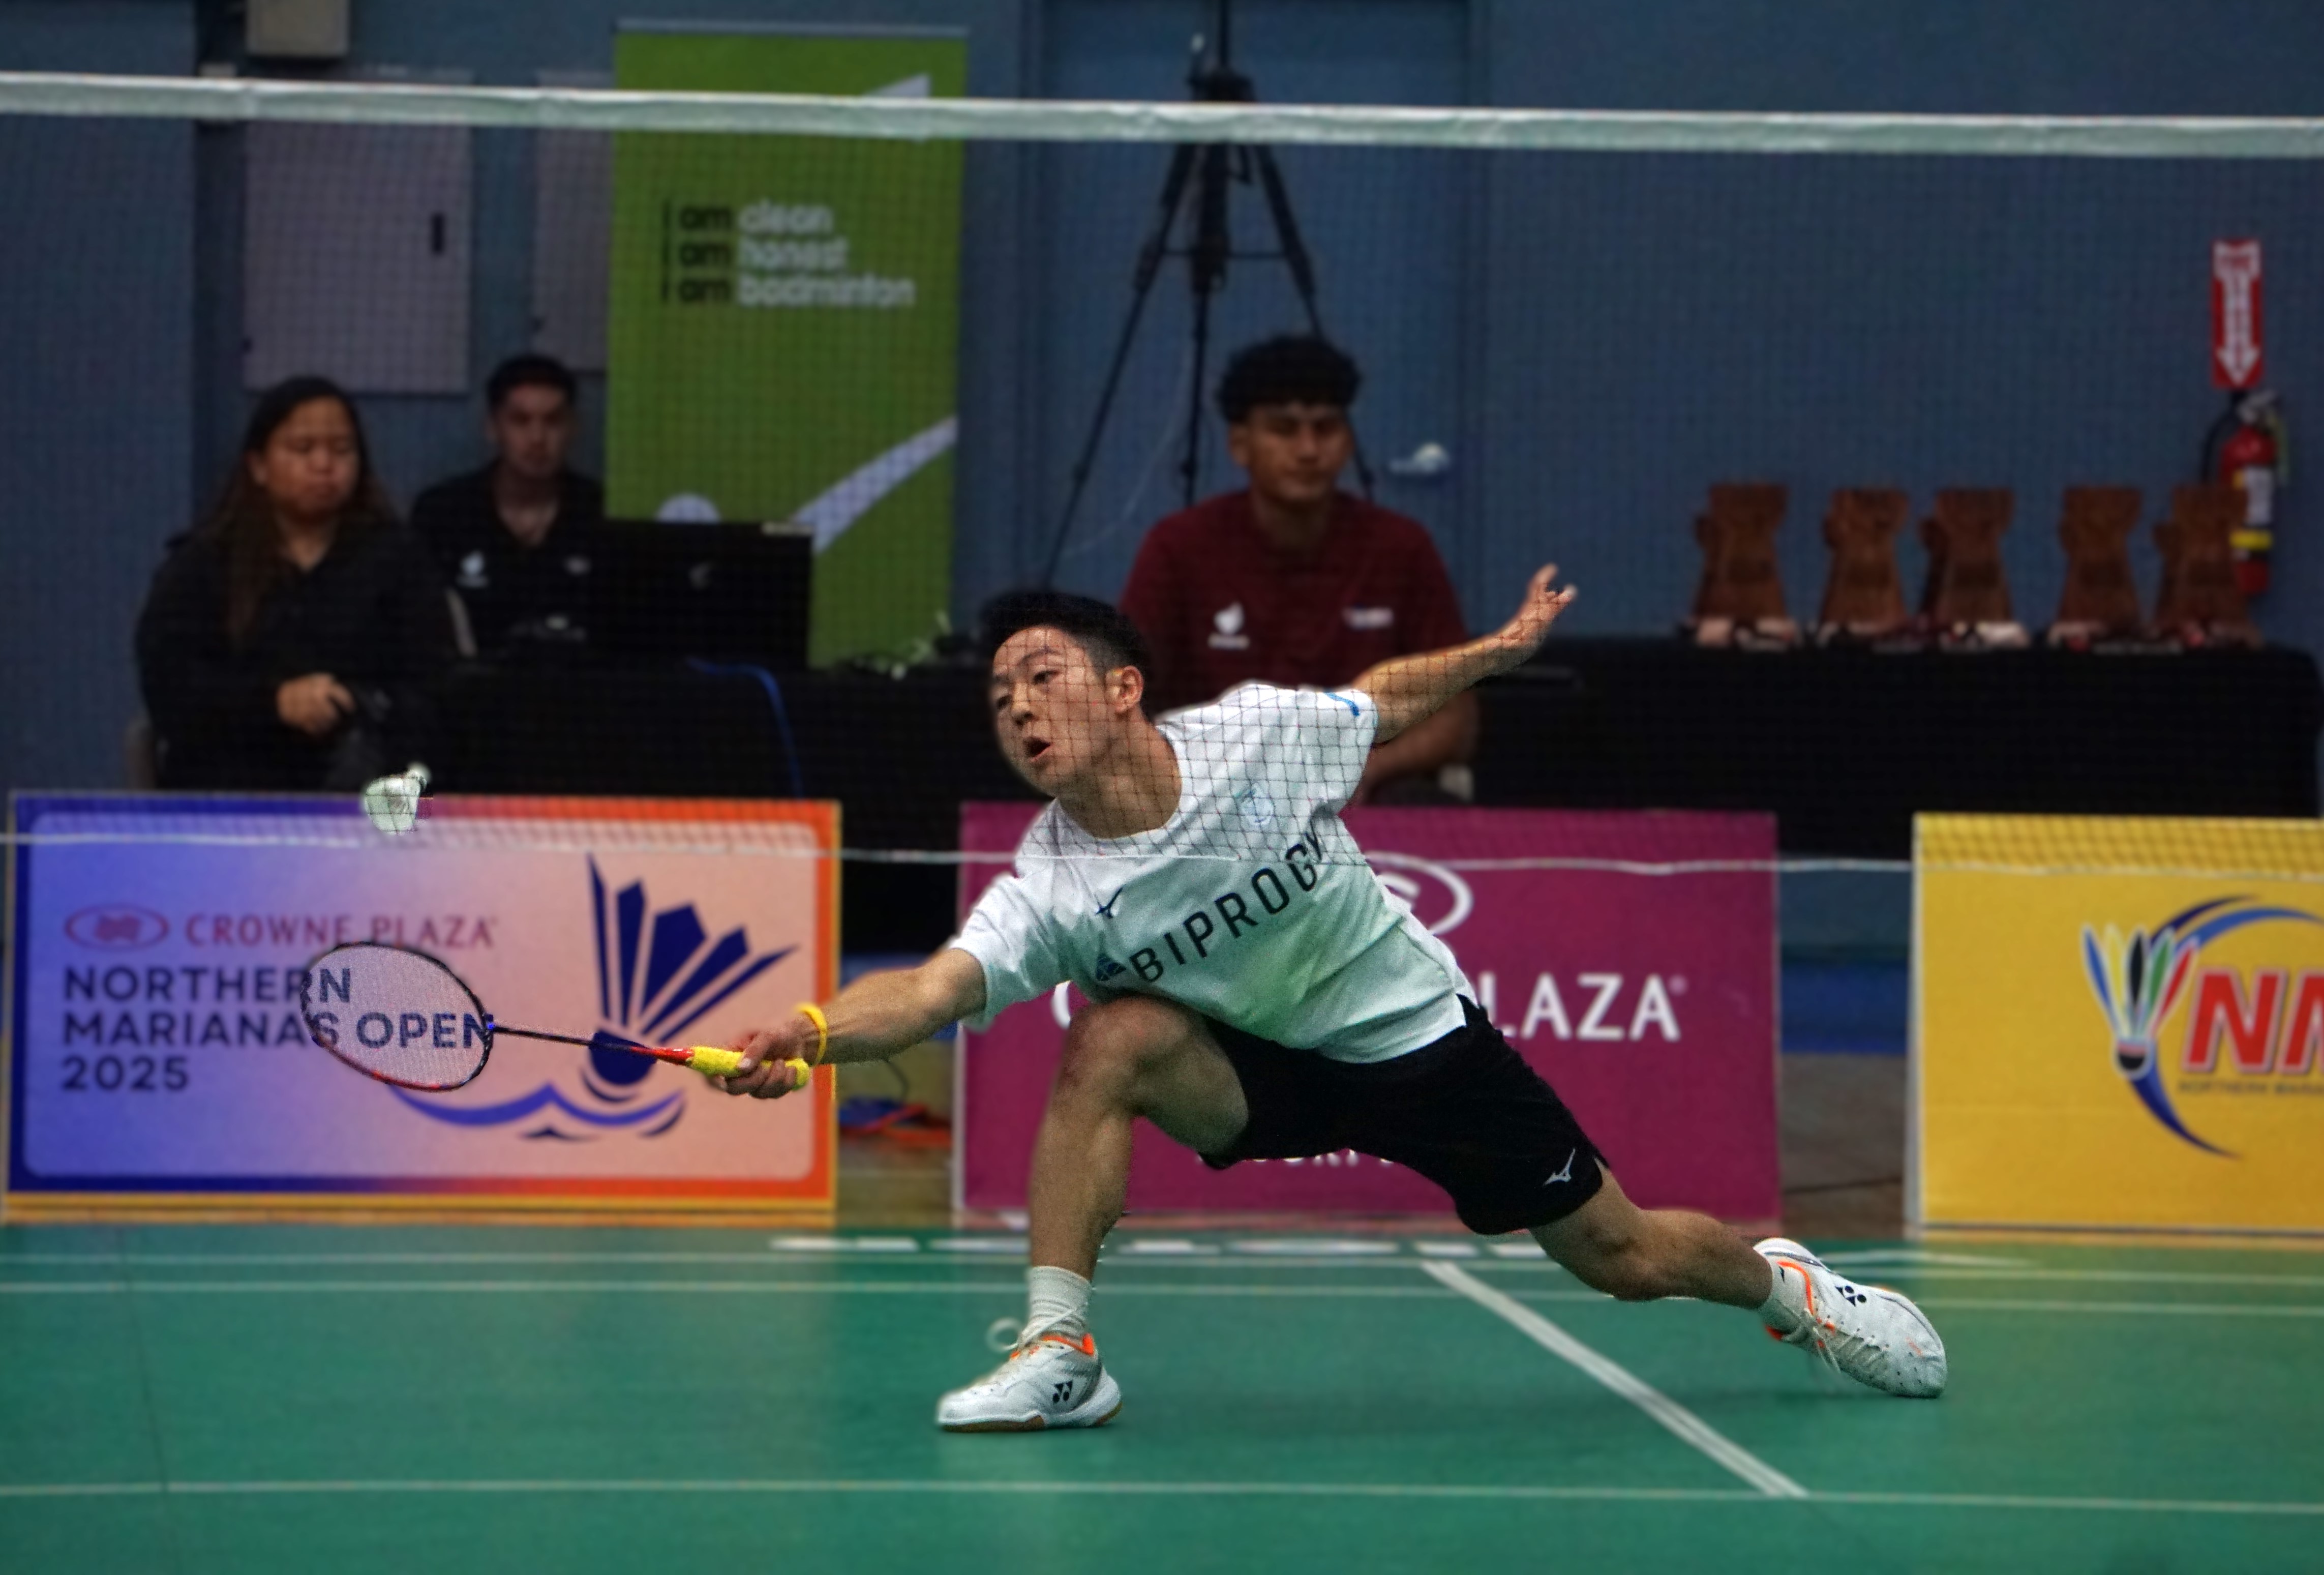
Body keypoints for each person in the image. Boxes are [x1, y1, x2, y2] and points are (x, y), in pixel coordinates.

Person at [716, 575, 1948, 1431]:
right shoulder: (1049, 880)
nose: (1021, 710)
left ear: (1127, 686)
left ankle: (1795, 1294)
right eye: (999, 701)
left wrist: (1500, 652)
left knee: (1623, 1258)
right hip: (1258, 1069)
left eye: (1042, 678)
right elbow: (936, 986)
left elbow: (1385, 698)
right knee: (1113, 1041)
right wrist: (814, 1035)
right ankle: (1059, 1352)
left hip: (1416, 1037)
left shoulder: (1257, 738)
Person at [1119, 334, 1475, 803]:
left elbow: (1456, 717)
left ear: (1347, 442)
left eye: (1325, 428)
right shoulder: (1179, 547)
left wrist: (1364, 770)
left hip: (1364, 796)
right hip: (1210, 798)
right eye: (1284, 430)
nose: (1308, 450)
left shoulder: (1401, 547)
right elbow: (1120, 700)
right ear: (1240, 445)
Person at [136, 376, 455, 791]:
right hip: (232, 785)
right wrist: (274, 703)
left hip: (370, 789)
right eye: (303, 449)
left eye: (341, 450)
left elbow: (437, 685)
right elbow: (171, 685)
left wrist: (361, 705)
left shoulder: (400, 558)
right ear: (259, 466)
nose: (324, 465)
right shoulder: (203, 563)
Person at [408, 353, 603, 654]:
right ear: (493, 428)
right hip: (468, 694)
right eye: (520, 421)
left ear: (573, 428)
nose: (537, 439)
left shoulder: (601, 512)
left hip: (578, 691)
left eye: (553, 421)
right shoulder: (443, 513)